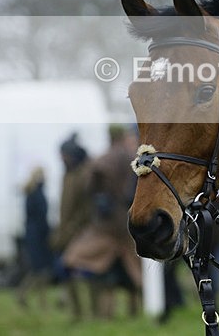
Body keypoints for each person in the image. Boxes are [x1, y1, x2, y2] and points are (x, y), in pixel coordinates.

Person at [63, 124, 142, 319]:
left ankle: (103, 316)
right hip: (131, 222)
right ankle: (136, 313)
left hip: (107, 226)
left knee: (79, 263)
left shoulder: (104, 159)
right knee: (134, 273)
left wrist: (102, 197)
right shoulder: (134, 157)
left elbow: (90, 184)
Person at [50, 132, 92, 320]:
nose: (61, 159)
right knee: (68, 274)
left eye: (64, 155)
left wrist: (73, 228)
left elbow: (85, 209)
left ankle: (89, 314)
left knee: (85, 274)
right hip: (67, 233)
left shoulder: (83, 175)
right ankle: (77, 314)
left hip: (81, 233)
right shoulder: (67, 175)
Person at [16, 166, 55, 309]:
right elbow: (41, 217)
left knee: (38, 269)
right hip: (38, 236)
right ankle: (29, 296)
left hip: (32, 235)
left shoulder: (30, 192)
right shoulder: (38, 193)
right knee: (41, 270)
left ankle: (30, 297)